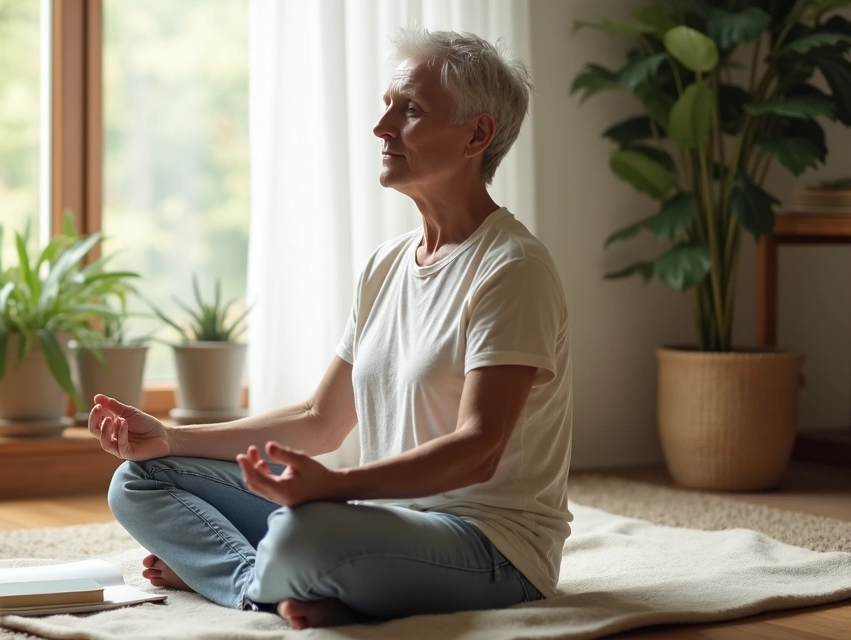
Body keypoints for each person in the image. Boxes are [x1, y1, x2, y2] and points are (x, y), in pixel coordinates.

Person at [90, 27, 570, 630]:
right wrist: (170, 437)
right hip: (380, 524)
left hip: (491, 548)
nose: (382, 126)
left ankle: (245, 575)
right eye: (387, 105)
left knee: (304, 529)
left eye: (411, 110)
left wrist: (335, 487)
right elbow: (321, 419)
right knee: (137, 481)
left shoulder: (512, 268)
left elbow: (480, 449)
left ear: (478, 134)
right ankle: (266, 580)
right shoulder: (386, 265)